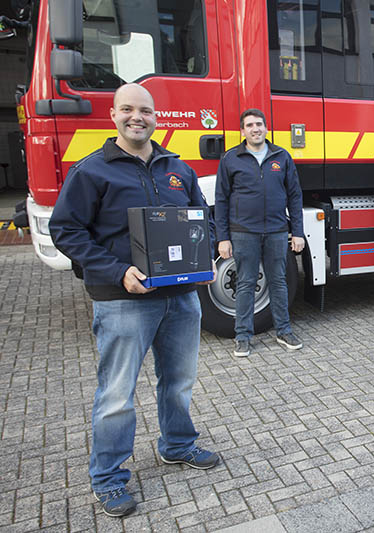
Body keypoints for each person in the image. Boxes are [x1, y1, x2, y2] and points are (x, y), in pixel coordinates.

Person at [49, 83, 220, 518]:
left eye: (144, 110)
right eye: (127, 109)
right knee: (118, 394)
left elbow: (204, 219)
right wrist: (116, 271)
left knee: (178, 381)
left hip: (181, 299)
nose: (136, 117)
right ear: (113, 115)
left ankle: (177, 445)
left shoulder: (176, 168)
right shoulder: (91, 171)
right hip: (123, 300)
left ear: (156, 116)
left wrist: (205, 260)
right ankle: (107, 477)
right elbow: (66, 230)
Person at [215, 108, 305, 356]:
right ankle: (243, 335)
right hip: (244, 232)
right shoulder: (231, 158)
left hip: (277, 231)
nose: (255, 129)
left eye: (259, 124)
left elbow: (295, 197)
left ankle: (284, 331)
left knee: (278, 282)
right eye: (250, 125)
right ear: (242, 131)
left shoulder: (282, 157)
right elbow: (221, 200)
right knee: (245, 282)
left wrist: (297, 231)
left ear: (266, 128)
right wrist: (222, 237)